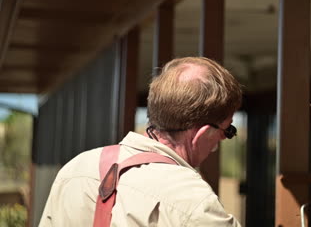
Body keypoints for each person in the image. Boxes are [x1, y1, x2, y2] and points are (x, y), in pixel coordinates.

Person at [39, 57, 243, 226]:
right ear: (202, 134)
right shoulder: (195, 201)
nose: (223, 139)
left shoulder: (75, 169)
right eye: (228, 130)